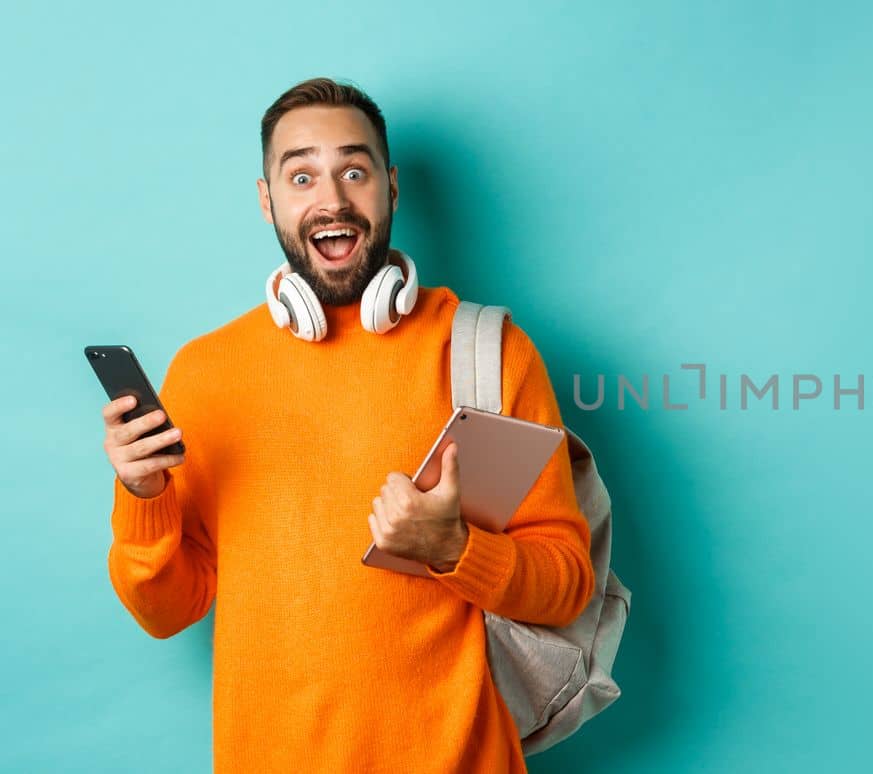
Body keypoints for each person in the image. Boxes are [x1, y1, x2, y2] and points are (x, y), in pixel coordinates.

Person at [99, 77, 594, 773]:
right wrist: (145, 496)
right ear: (268, 199)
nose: (331, 200)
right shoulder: (206, 372)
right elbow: (166, 611)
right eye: (301, 175)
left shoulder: (486, 352)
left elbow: (567, 583)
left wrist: (454, 547)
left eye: (354, 171)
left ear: (390, 187)